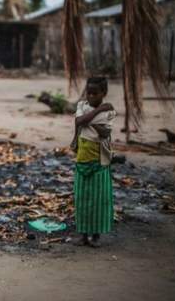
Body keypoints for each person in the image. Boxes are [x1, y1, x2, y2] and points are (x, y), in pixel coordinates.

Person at [72, 77, 116, 248]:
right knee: (82, 199)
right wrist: (98, 113)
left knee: (98, 201)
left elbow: (105, 133)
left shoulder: (109, 112)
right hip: (82, 160)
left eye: (94, 93)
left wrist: (87, 119)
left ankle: (96, 236)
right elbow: (78, 121)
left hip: (99, 162)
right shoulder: (83, 106)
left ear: (103, 94)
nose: (90, 96)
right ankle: (83, 235)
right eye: (88, 93)